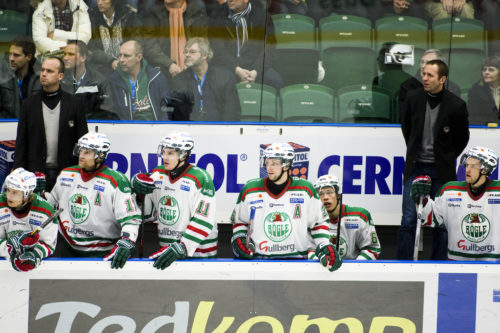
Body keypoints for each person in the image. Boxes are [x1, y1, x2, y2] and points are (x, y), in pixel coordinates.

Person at [230, 142, 342, 271]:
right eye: (267, 162)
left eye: (275, 163)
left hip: (298, 263)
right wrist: (240, 237)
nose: (269, 168)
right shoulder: (250, 189)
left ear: (287, 165)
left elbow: (318, 223)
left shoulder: (305, 189)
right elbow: (240, 221)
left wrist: (323, 244)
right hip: (259, 262)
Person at [398, 59, 469, 260]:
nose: (424, 78)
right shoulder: (412, 98)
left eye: (430, 75)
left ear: (442, 79)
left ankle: (439, 264)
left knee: (442, 222)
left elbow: (462, 139)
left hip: (442, 171)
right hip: (415, 167)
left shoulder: (456, 105)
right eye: (424, 74)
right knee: (409, 219)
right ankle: (401, 266)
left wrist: (445, 157)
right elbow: (407, 129)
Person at [45, 132, 140, 268]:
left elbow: (130, 219)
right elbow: (49, 208)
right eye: (80, 150)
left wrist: (128, 239)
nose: (81, 155)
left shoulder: (117, 180)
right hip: (68, 252)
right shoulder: (66, 174)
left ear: (101, 155)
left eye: (87, 152)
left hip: (104, 255)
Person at [131, 131, 218, 270]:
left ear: (183, 154)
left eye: (170, 153)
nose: (165, 157)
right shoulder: (157, 174)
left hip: (199, 254)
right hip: (167, 253)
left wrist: (184, 246)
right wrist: (139, 195)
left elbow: (204, 219)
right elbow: (148, 215)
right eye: (164, 152)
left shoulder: (201, 178)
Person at [411, 146, 500, 261]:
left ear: (485, 169)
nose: (467, 170)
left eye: (473, 166)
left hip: (493, 266)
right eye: (467, 165)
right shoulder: (450, 190)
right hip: (456, 264)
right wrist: (421, 200)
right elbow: (429, 219)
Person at [13, 56, 88, 192]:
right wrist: (19, 174)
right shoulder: (28, 104)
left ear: (60, 76)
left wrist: (81, 172)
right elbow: (21, 144)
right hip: (34, 173)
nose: (44, 74)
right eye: (42, 70)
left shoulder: (74, 104)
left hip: (67, 173)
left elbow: (82, 142)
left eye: (49, 71)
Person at [209, 0, 283, 91]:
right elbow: (217, 49)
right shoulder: (218, 16)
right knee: (221, 80)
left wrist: (256, 71)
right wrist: (237, 69)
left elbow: (269, 48)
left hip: (255, 67)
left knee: (275, 80)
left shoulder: (263, 16)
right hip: (229, 67)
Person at [0, 168, 58, 272]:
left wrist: (34, 254)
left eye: (15, 192)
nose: (9, 196)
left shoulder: (45, 211)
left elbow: (49, 244)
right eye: (8, 190)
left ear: (27, 194)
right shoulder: (1, 205)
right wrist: (11, 249)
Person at [171, 37, 241, 121]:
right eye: (185, 52)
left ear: (204, 55)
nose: (187, 55)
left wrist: (222, 130)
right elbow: (176, 114)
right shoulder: (179, 80)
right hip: (190, 130)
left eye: (192, 52)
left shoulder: (225, 77)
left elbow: (232, 112)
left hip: (218, 129)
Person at [314, 174, 381, 260]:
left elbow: (372, 249)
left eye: (329, 192)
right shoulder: (312, 220)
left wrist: (353, 268)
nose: (325, 197)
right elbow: (309, 250)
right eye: (321, 194)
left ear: (338, 195)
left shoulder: (359, 216)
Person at [142, 0, 208, 79]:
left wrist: (190, 62)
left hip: (192, 69)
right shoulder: (153, 13)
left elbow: (202, 43)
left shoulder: (197, 12)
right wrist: (169, 64)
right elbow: (149, 46)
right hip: (162, 70)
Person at [108, 39, 171, 120]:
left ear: (139, 57)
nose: (121, 60)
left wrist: (161, 128)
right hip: (125, 129)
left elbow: (168, 108)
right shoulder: (113, 80)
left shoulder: (156, 77)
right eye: (120, 55)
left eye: (126, 56)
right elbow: (110, 112)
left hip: (154, 128)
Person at [399, 49, 461, 121]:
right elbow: (404, 118)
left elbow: (455, 117)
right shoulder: (407, 87)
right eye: (422, 62)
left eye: (429, 63)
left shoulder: (452, 88)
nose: (423, 66)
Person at [61, 40, 116, 119]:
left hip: (91, 126)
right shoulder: (59, 79)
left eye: (71, 54)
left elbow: (106, 110)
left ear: (83, 57)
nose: (65, 58)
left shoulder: (99, 81)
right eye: (64, 54)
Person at [88, 0, 141, 76]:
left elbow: (136, 42)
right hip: (101, 68)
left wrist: (124, 59)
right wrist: (111, 61)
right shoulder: (92, 17)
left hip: (128, 65)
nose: (99, 3)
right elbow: (91, 48)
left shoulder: (128, 15)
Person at [0, 37, 41, 118]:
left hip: (32, 126)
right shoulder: (3, 76)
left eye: (16, 55)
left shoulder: (41, 77)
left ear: (28, 57)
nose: (11, 58)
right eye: (10, 54)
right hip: (7, 125)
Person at [467, 56, 500, 126]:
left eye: (491, 70)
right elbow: (473, 116)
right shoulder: (476, 89)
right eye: (484, 70)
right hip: (485, 130)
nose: (486, 72)